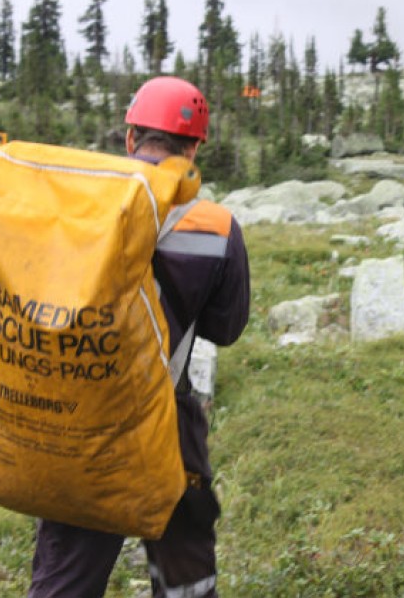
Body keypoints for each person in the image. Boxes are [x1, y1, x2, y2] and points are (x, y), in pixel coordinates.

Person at [27, 76, 251, 598]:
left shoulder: (78, 208)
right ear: (195, 147)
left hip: (82, 421)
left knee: (66, 581)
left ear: (130, 139)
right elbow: (226, 327)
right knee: (186, 579)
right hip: (169, 423)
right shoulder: (217, 227)